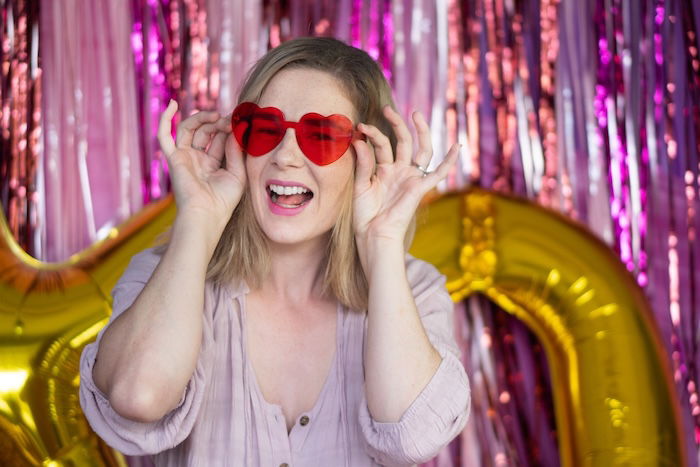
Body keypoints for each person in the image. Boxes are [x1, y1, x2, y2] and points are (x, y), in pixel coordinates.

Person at [79, 36, 470, 466]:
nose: (285, 156)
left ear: (369, 159)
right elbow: (137, 396)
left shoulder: (413, 289)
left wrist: (382, 242)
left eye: (320, 135)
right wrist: (198, 221)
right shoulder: (164, 275)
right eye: (264, 128)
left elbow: (411, 435)